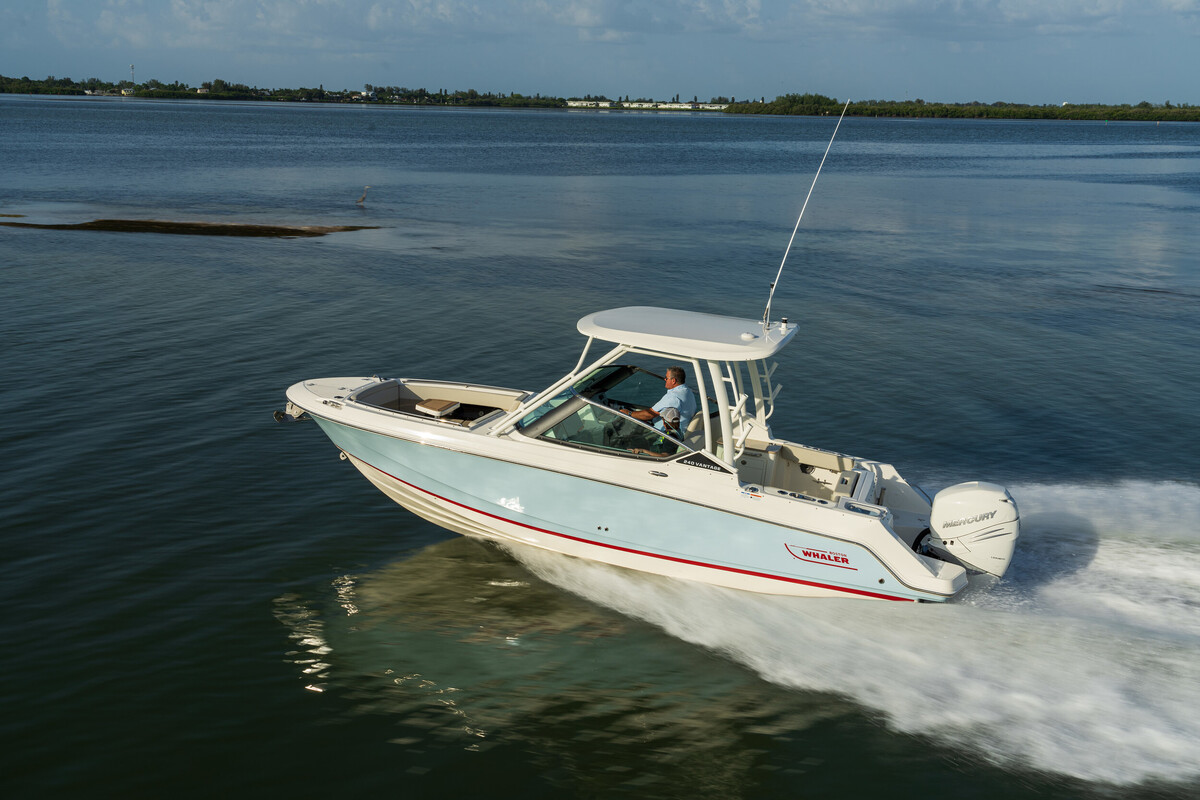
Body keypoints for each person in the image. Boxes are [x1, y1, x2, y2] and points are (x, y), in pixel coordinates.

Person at [627, 366, 697, 437]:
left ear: (673, 381)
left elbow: (649, 414)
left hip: (669, 434)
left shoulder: (673, 397)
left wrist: (629, 413)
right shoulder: (687, 391)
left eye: (666, 378)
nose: (664, 379)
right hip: (679, 428)